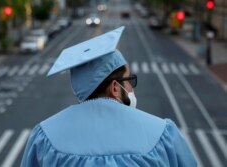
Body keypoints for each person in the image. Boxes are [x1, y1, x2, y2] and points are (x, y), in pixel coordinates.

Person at [21, 26, 197, 166]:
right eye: (129, 80)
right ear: (114, 87)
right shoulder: (162, 134)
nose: (131, 87)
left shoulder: (45, 137)